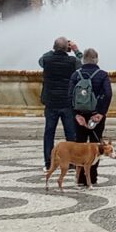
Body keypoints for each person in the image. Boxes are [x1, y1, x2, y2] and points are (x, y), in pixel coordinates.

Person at [69, 48, 112, 185]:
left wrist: (76, 115)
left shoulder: (76, 75)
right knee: (96, 147)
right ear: (96, 59)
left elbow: (69, 96)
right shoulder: (102, 75)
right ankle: (92, 178)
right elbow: (108, 94)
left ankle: (81, 178)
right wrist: (101, 113)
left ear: (83, 60)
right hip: (96, 116)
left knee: (80, 146)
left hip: (80, 116)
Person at [39, 36, 83, 170]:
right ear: (67, 49)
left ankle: (48, 162)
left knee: (49, 133)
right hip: (66, 102)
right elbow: (82, 65)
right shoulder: (72, 61)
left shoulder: (47, 59)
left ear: (54, 47)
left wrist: (55, 49)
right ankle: (72, 162)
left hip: (51, 102)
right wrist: (76, 50)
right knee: (70, 133)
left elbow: (41, 59)